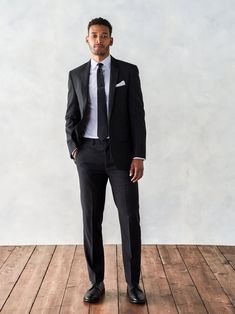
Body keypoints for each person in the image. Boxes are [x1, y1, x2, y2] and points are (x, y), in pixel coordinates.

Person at [65, 17, 146, 304]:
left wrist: (138, 155)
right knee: (91, 219)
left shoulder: (128, 72)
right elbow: (71, 116)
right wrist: (75, 150)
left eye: (104, 35)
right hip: (88, 155)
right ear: (87, 40)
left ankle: (133, 284)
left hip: (122, 157)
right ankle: (96, 282)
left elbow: (137, 116)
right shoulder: (76, 75)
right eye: (94, 35)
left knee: (129, 218)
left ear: (111, 40)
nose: (99, 40)